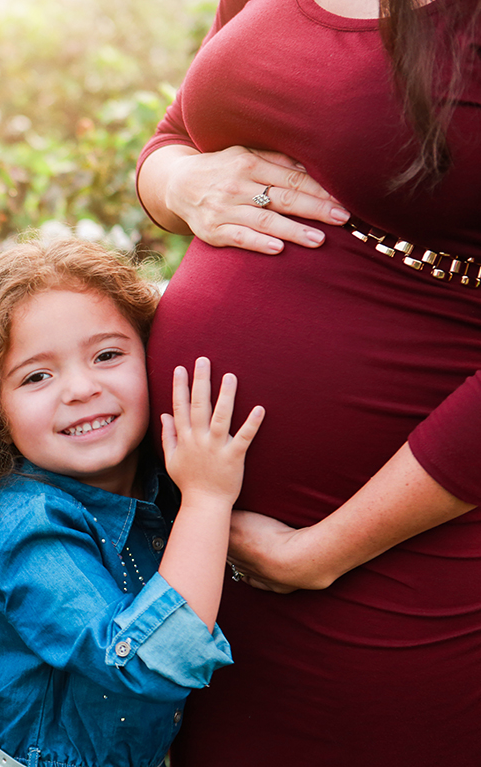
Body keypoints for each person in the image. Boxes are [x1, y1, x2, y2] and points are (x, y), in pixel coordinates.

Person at [134, 0, 481, 763]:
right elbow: (173, 140)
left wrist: (322, 549)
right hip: (189, 548)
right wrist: (183, 184)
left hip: (393, 571)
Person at [0, 238, 264, 767]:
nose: (80, 388)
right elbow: (149, 662)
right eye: (36, 376)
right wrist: (208, 500)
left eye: (107, 355)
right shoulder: (28, 526)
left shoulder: (155, 483)